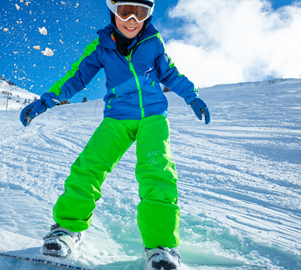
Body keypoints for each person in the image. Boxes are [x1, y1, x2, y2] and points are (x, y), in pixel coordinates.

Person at [20, 1, 211, 269]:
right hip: (118, 116)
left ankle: (160, 247)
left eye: (140, 13)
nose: (132, 19)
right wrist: (48, 99)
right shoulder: (102, 46)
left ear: (148, 15)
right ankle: (66, 230)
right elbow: (77, 76)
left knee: (158, 174)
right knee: (89, 167)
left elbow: (172, 74)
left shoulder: (154, 43)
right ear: (113, 11)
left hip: (153, 117)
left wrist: (193, 97)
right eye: (125, 11)